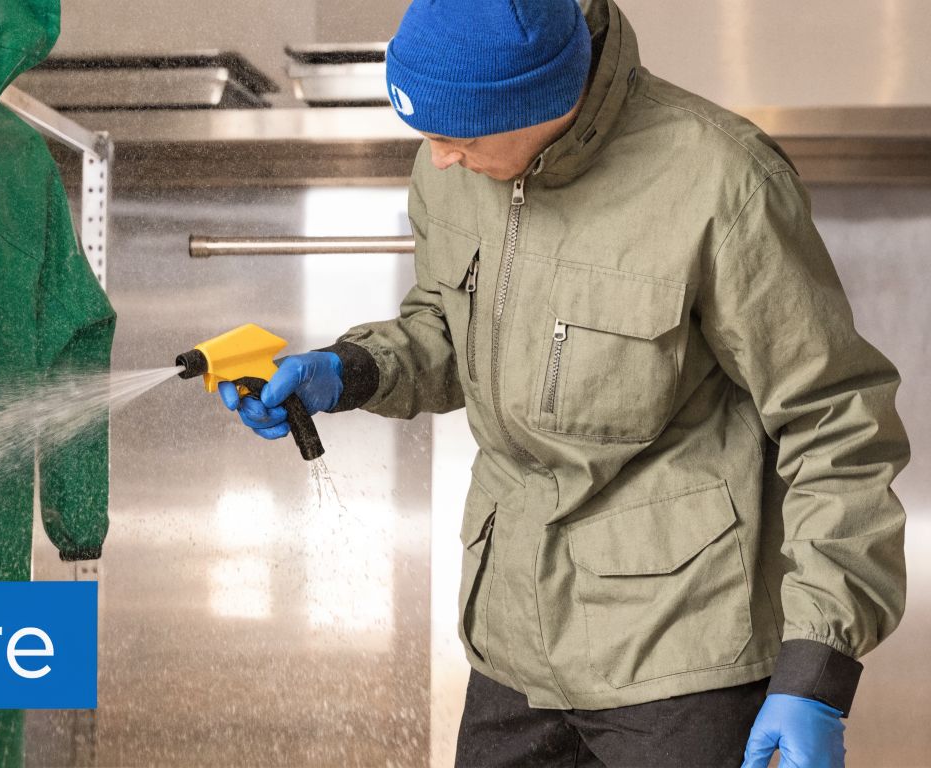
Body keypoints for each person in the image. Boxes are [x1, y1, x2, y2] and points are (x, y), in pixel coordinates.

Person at [216, 0, 909, 765]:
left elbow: (836, 423)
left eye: (459, 137)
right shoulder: (452, 163)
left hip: (682, 659)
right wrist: (349, 372)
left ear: (546, 101)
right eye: (427, 134)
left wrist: (817, 668)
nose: (438, 158)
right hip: (511, 652)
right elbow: (449, 328)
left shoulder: (723, 183)